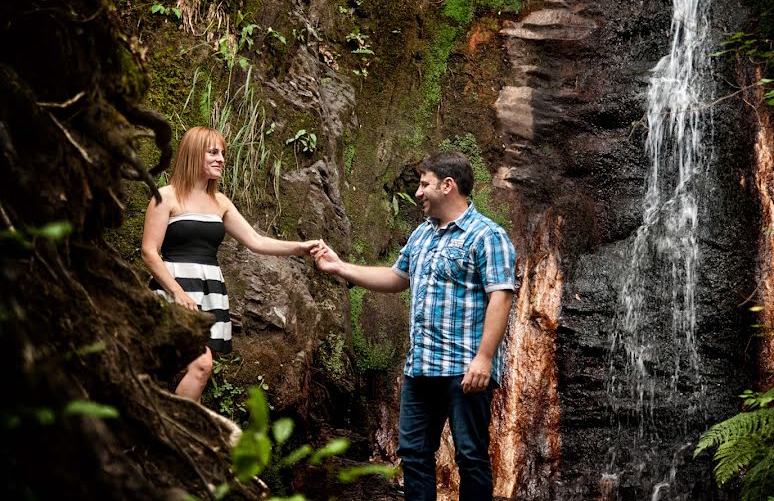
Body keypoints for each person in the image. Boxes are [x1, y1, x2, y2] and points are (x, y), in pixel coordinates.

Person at [313, 151, 516, 501]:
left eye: (424, 184)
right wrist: (340, 267)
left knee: (470, 457)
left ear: (447, 185)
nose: (418, 192)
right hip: (420, 369)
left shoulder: (487, 236)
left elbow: (501, 296)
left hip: (464, 370)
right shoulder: (422, 235)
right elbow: (395, 277)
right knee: (415, 457)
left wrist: (484, 358)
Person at [141, 126, 320, 402]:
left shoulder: (220, 202)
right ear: (192, 154)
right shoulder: (165, 196)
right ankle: (173, 427)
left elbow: (256, 241)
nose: (221, 158)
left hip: (210, 289)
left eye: (223, 153)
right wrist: (176, 292)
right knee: (201, 365)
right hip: (174, 289)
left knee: (198, 370)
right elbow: (149, 252)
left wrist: (299, 247)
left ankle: (192, 437)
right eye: (213, 152)